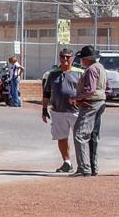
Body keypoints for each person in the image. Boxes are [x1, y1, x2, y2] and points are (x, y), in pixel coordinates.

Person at [40, 48, 82, 173]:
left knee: (80, 137)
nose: (65, 59)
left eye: (67, 57)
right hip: (58, 111)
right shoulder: (53, 74)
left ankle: (83, 164)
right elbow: (46, 93)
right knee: (61, 137)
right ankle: (67, 162)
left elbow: (87, 91)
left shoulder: (80, 73)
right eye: (62, 56)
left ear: (72, 58)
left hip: (76, 111)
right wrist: (44, 109)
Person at [71, 45, 107, 176]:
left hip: (90, 103)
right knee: (92, 135)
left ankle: (83, 168)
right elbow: (108, 87)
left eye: (82, 58)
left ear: (87, 59)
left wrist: (75, 98)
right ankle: (92, 167)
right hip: (99, 102)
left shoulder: (91, 69)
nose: (81, 61)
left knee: (80, 134)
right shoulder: (100, 68)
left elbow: (90, 90)